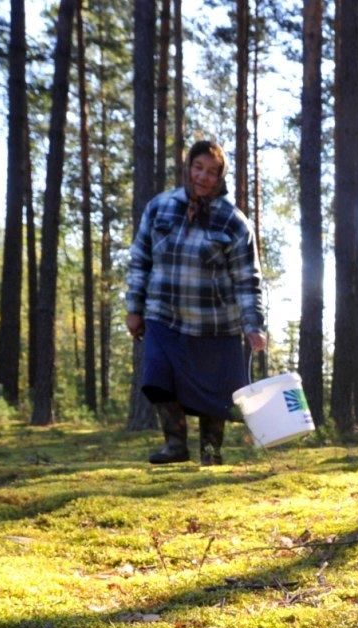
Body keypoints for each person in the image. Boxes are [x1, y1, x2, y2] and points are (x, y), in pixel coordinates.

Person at [126, 140, 268, 466]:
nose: (203, 177)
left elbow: (248, 280)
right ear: (188, 167)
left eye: (212, 172)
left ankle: (210, 454)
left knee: (213, 392)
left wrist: (253, 326)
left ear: (220, 177)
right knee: (159, 377)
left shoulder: (234, 222)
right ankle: (175, 445)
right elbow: (140, 260)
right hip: (163, 314)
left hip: (214, 322)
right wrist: (135, 308)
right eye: (198, 167)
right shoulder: (159, 207)